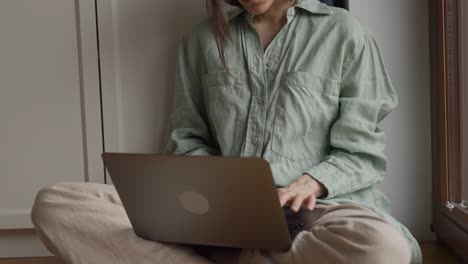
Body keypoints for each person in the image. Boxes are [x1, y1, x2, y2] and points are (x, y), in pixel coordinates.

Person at [31, 0, 422, 263]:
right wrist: (215, 191)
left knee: (382, 247)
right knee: (55, 203)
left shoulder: (345, 33)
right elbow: (186, 138)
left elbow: (363, 153)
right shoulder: (201, 40)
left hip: (314, 214)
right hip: (219, 216)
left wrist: (312, 182)